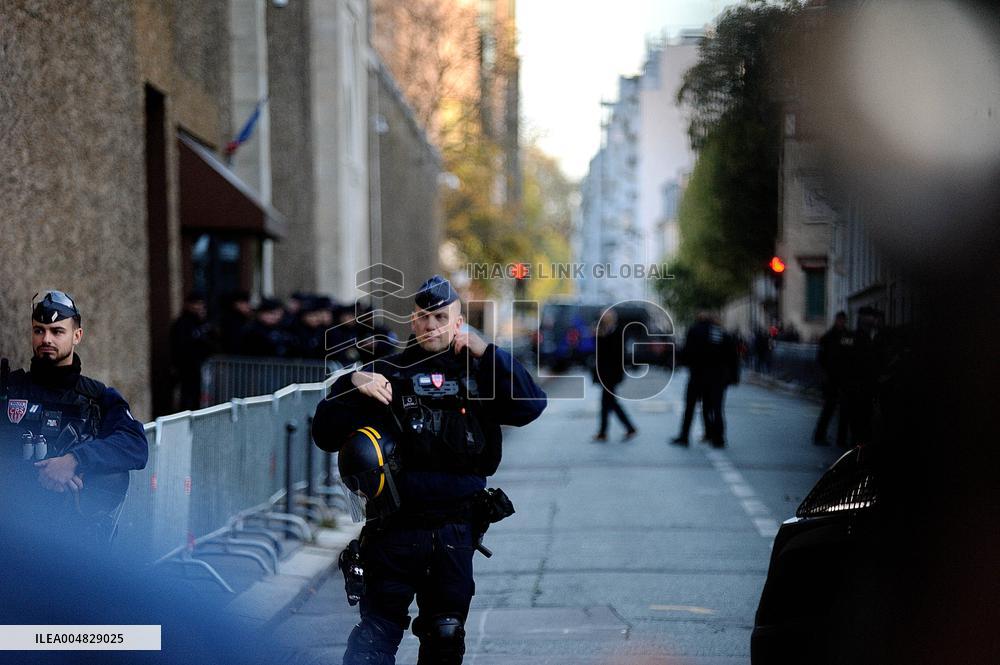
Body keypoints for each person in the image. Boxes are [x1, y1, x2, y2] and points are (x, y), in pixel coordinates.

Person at [312, 275, 546, 665]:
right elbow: (324, 433)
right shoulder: (387, 372)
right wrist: (352, 382)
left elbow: (531, 405)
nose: (430, 326)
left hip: (454, 533)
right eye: (422, 317)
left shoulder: (477, 375)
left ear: (458, 322)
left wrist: (486, 350)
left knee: (445, 637)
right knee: (373, 639)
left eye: (440, 317)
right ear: (412, 320)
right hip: (394, 531)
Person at [0, 290, 149, 544]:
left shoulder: (98, 397)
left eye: (57, 331)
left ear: (77, 335)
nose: (46, 338)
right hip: (13, 533)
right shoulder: (8, 390)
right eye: (39, 330)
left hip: (74, 543)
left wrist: (74, 460)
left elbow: (135, 445)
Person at [671, 312, 732, 447]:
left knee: (690, 406)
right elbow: (731, 356)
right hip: (718, 376)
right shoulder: (721, 333)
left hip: (698, 375)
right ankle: (719, 438)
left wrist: (683, 362)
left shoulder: (694, 330)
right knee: (716, 408)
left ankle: (684, 436)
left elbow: (687, 352)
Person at [592, 308, 637, 442]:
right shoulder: (602, 332)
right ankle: (620, 429)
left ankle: (609, 431)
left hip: (612, 374)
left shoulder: (618, 331)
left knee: (608, 402)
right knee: (608, 402)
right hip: (604, 373)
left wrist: (602, 337)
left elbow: (616, 354)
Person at [169, 290, 217, 410]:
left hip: (201, 365)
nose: (199, 307)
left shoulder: (204, 324)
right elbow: (180, 345)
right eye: (196, 304)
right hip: (186, 367)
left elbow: (213, 341)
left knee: (200, 395)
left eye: (201, 304)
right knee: (187, 395)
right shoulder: (182, 324)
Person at [813, 311, 853, 446]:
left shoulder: (845, 336)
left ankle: (840, 438)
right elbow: (822, 357)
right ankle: (820, 435)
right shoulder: (829, 337)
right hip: (832, 377)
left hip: (843, 377)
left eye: (842, 320)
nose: (841, 323)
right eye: (839, 320)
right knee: (829, 408)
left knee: (843, 410)